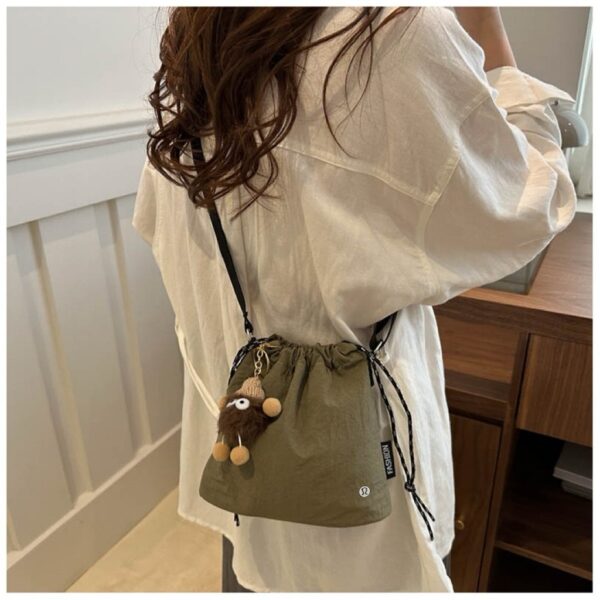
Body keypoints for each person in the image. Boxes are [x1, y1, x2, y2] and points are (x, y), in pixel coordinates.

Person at [132, 6, 577, 593]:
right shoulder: (398, 32)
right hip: (350, 497)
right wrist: (486, 24)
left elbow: (158, 226)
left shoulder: (202, 33)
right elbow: (531, 204)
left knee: (252, 572)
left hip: (241, 443)